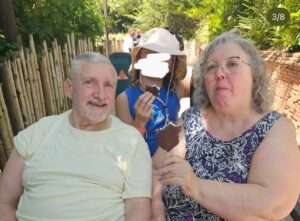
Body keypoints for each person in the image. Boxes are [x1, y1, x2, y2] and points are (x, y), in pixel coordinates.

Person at [157, 30, 300, 220]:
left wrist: (195, 185)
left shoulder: (276, 129)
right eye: (211, 67)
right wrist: (155, 207)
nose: (219, 73)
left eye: (232, 64)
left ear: (255, 75)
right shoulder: (189, 119)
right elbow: (157, 169)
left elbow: (271, 205)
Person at [0, 52, 152, 221]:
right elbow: (4, 202)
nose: (100, 95)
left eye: (108, 85)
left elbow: (137, 210)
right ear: (69, 89)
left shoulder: (131, 142)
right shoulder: (38, 133)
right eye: (89, 83)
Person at [115, 27, 190, 221]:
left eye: (167, 56)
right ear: (140, 57)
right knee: (154, 205)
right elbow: (126, 147)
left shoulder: (176, 90)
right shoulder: (125, 99)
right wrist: (139, 122)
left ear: (173, 62)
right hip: (143, 166)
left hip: (171, 160)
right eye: (153, 54)